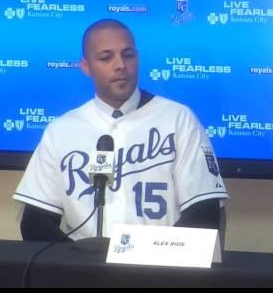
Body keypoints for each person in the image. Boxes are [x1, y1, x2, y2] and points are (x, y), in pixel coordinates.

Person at [13, 19, 228, 242]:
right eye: (106, 58)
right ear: (86, 66)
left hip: (161, 270)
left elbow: (204, 212)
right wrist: (77, 264)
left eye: (128, 55)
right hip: (83, 270)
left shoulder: (178, 118)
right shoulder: (61, 130)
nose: (120, 65)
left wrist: (153, 256)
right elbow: (35, 221)